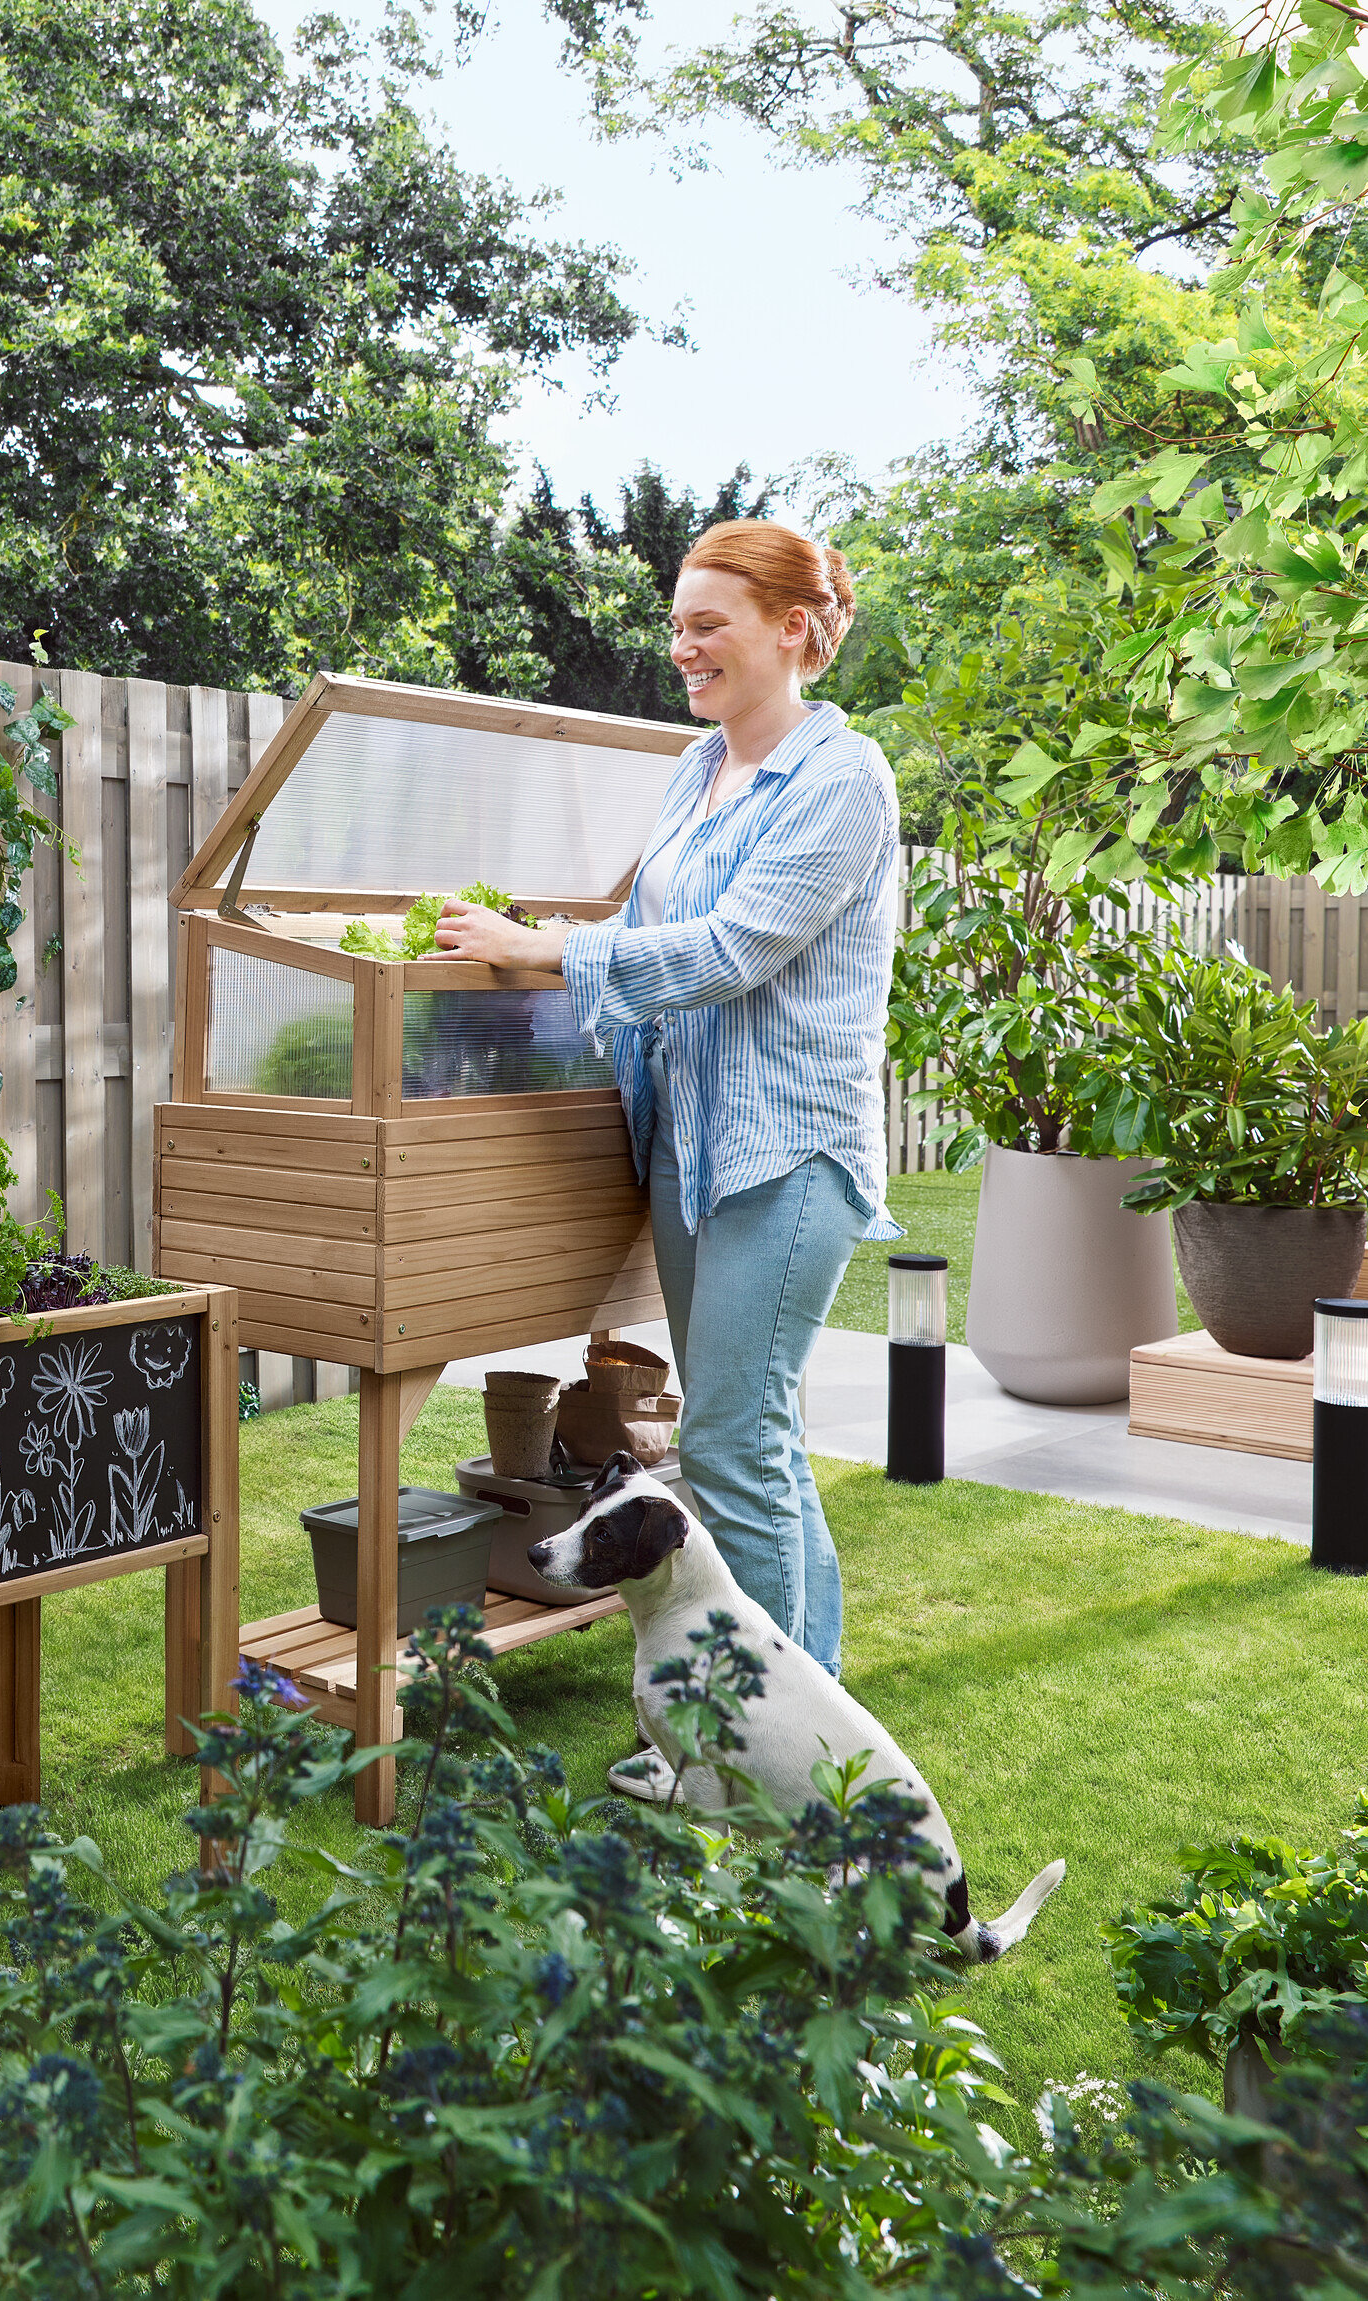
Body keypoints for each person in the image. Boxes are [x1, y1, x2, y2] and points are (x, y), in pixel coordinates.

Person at [435, 519, 898, 1796]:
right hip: (692, 1152)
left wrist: (549, 957)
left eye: (711, 624)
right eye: (678, 622)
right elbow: (642, 928)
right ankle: (812, 1724)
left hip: (786, 1155)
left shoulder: (842, 780)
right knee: (760, 1438)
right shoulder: (699, 767)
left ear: (794, 630)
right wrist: (529, 954)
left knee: (737, 1442)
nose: (681, 646)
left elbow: (732, 949)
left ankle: (765, 1754)